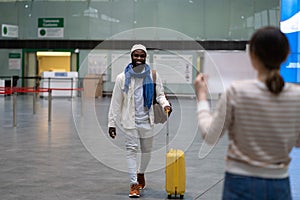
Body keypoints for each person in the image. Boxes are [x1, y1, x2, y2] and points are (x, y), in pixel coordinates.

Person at [194, 26, 300, 200]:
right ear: (286, 56)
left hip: (239, 182)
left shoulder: (237, 91)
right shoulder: (296, 96)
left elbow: (210, 135)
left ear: (253, 56)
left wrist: (202, 97)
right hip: (279, 184)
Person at [108, 44, 172, 198]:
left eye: (141, 56)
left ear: (145, 58)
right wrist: (111, 123)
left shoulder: (153, 76)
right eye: (136, 55)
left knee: (147, 152)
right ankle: (133, 183)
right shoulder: (122, 78)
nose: (139, 58)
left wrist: (165, 105)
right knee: (131, 151)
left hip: (147, 120)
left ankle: (141, 172)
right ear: (131, 56)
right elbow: (115, 102)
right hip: (130, 121)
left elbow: (160, 95)